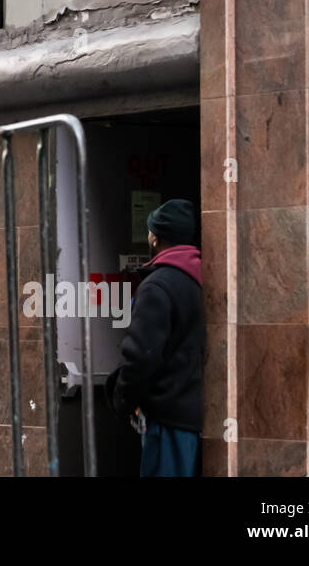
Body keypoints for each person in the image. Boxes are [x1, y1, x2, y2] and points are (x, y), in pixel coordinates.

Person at [106, 198, 203, 476]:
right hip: (195, 420)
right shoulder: (202, 278)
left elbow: (140, 357)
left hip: (167, 421)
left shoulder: (158, 286)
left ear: (156, 236)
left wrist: (123, 400)